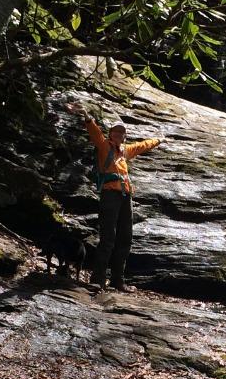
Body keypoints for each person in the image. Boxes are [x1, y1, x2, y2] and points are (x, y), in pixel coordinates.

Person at [67, 103, 162, 291]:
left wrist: (159, 139)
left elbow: (142, 146)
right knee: (108, 238)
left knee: (125, 238)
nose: (118, 135)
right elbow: (94, 133)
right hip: (110, 195)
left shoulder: (125, 151)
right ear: (111, 134)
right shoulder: (104, 146)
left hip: (126, 197)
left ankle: (118, 281)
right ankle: (97, 279)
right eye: (116, 132)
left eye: (121, 133)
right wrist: (87, 116)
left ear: (124, 136)